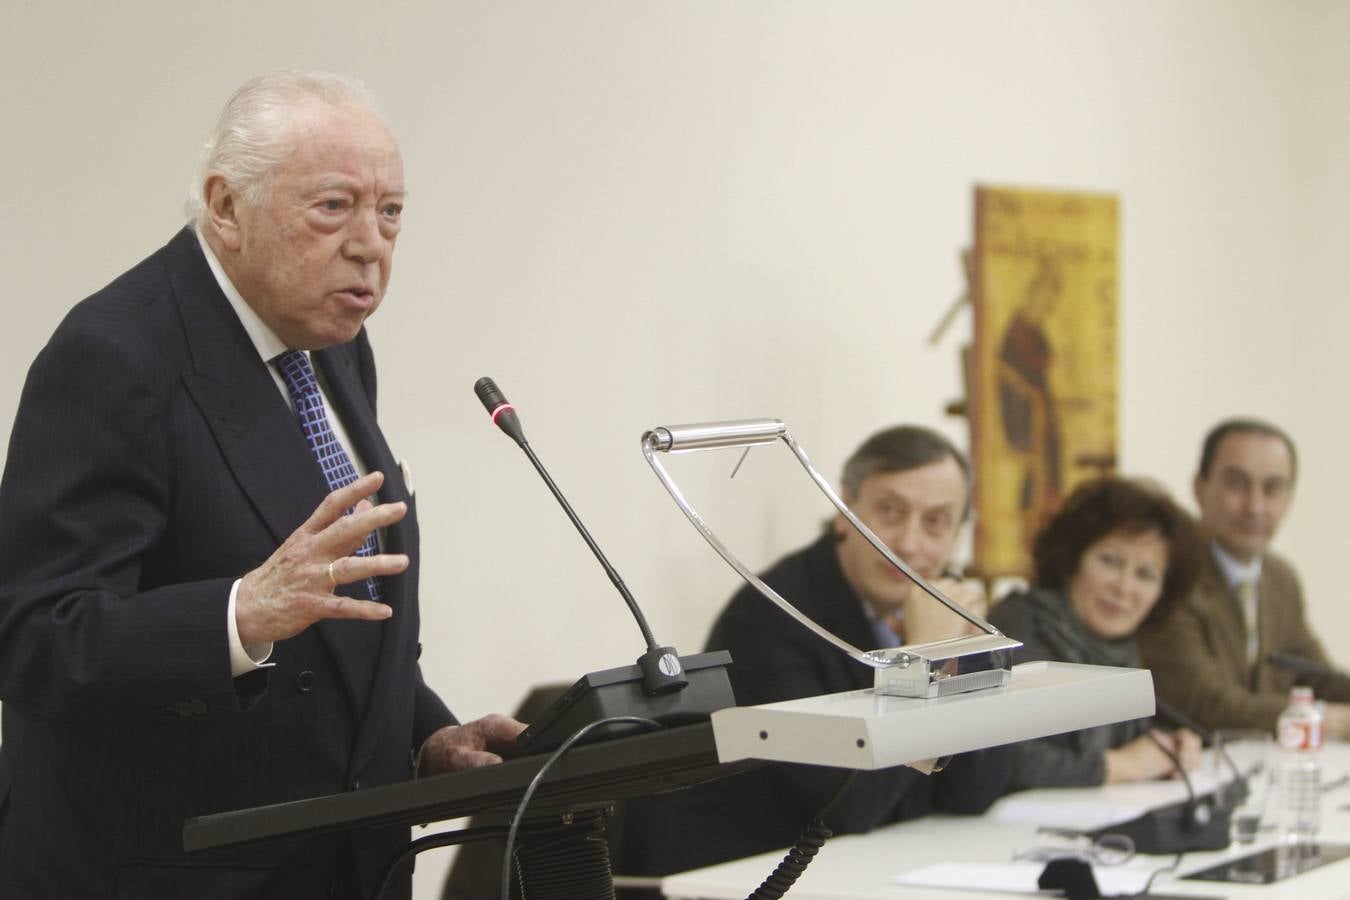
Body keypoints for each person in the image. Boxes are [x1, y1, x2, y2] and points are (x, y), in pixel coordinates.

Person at [0, 71, 523, 899]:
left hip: (346, 865)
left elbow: (336, 627)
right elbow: (36, 639)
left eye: (390, 211)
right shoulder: (115, 355)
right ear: (225, 206)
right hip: (174, 873)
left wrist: (426, 739)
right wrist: (236, 615)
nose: (370, 244)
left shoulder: (334, 347)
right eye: (333, 207)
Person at [611, 425, 1010, 892]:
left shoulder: (944, 608)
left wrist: (962, 649)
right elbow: (849, 805)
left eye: (937, 522)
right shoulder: (769, 616)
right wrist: (920, 659)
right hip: (744, 881)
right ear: (844, 511)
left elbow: (976, 790)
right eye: (890, 512)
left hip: (877, 869)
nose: (908, 544)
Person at [988, 476, 1205, 789]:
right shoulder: (1017, 628)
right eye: (1110, 561)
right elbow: (1002, 761)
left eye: (1145, 575)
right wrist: (1123, 766)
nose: (1123, 587)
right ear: (1072, 559)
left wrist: (1167, 747)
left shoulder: (1120, 650)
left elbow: (1130, 743)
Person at [1139, 419, 1350, 737]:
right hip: (1183, 770)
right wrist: (1331, 720)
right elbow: (1206, 703)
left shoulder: (1280, 578)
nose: (1255, 506)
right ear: (1200, 487)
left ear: (1289, 500)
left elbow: (1313, 674)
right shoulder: (1168, 572)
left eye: (1273, 488)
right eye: (1237, 484)